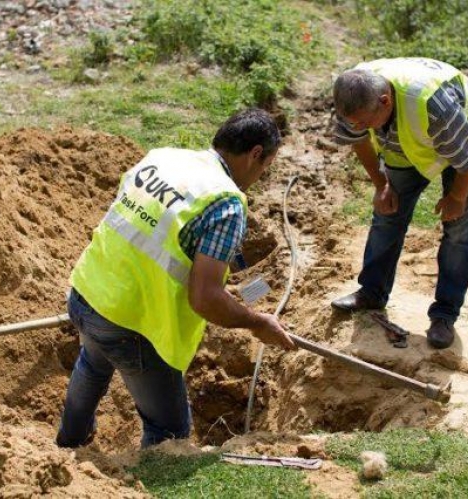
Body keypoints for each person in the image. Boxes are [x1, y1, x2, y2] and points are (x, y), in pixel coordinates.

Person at [56, 108, 296, 449]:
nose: (261, 175)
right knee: (169, 432)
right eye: (266, 166)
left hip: (87, 292)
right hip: (130, 323)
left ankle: (67, 446)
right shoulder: (225, 204)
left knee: (93, 364)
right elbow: (205, 299)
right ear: (256, 154)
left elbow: (152, 239)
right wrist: (256, 322)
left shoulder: (164, 158)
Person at [330, 58, 468, 349]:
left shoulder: (432, 105)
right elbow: (359, 141)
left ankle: (445, 315)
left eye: (365, 123)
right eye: (352, 122)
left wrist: (456, 198)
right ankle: (371, 292)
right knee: (386, 213)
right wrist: (382, 185)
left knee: (459, 229)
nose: (358, 127)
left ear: (384, 102)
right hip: (408, 144)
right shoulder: (353, 95)